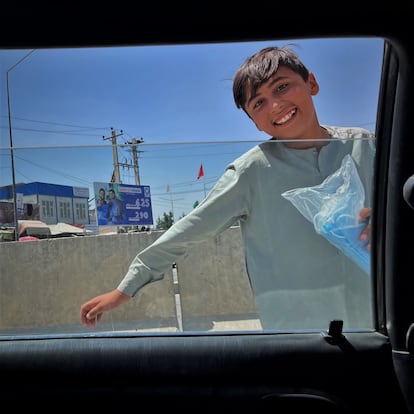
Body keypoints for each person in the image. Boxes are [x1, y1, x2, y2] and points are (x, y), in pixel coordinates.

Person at [80, 45, 375, 330]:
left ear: (311, 82)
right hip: (299, 340)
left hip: (380, 326)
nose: (275, 105)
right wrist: (126, 289)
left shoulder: (367, 145)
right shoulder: (251, 171)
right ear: (255, 122)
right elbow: (188, 231)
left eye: (282, 87)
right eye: (258, 103)